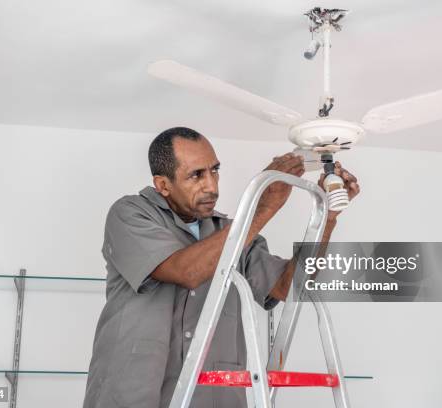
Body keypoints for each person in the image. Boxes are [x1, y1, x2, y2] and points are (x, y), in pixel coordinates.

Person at [83, 127, 360, 408]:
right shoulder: (130, 214)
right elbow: (186, 272)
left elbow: (288, 287)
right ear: (163, 185)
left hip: (212, 397)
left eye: (214, 171)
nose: (212, 186)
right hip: (133, 394)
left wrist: (328, 218)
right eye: (196, 175)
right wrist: (261, 208)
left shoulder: (232, 231)